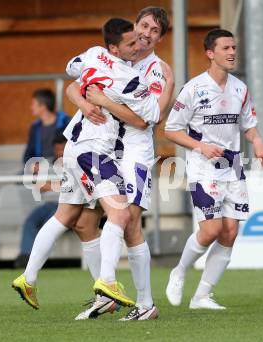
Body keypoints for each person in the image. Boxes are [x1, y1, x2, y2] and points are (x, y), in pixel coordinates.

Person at [11, 18, 161, 313]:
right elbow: (150, 114)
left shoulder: (93, 54)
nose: (136, 46)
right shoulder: (126, 78)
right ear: (113, 48)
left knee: (66, 215)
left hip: (74, 148)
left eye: (139, 40)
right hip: (94, 152)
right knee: (119, 214)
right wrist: (95, 99)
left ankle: (27, 278)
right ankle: (107, 281)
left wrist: (84, 97)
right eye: (130, 43)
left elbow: (71, 71)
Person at [66, 7, 173, 321]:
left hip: (134, 152)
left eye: (155, 30)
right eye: (144, 25)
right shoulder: (113, 53)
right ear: (135, 25)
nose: (146, 33)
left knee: (131, 223)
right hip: (100, 146)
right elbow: (73, 85)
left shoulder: (156, 70)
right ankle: (106, 295)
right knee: (83, 223)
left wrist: (104, 101)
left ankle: (143, 302)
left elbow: (145, 120)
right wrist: (86, 103)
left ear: (160, 37)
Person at [164, 29, 263, 310]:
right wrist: (200, 147)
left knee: (230, 233)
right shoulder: (193, 89)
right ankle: (179, 271)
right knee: (211, 229)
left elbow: (248, 125)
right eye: (225, 48)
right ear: (210, 53)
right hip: (203, 168)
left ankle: (201, 296)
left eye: (234, 47)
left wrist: (258, 141)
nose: (232, 52)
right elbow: (171, 130)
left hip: (232, 166)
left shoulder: (240, 88)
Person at [14, 134, 67, 268]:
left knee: (48, 226)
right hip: (47, 204)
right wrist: (60, 185)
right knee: (30, 222)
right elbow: (40, 186)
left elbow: (73, 187)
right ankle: (25, 256)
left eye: (63, 149)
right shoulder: (46, 163)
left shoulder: (75, 164)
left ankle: (38, 261)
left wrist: (51, 184)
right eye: (57, 149)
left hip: (64, 206)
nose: (60, 152)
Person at [23, 89, 70, 164]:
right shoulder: (35, 127)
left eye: (33, 104)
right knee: (19, 174)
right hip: (41, 167)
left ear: (43, 106)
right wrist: (32, 164)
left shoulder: (66, 122)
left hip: (63, 166)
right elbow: (28, 154)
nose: (31, 107)